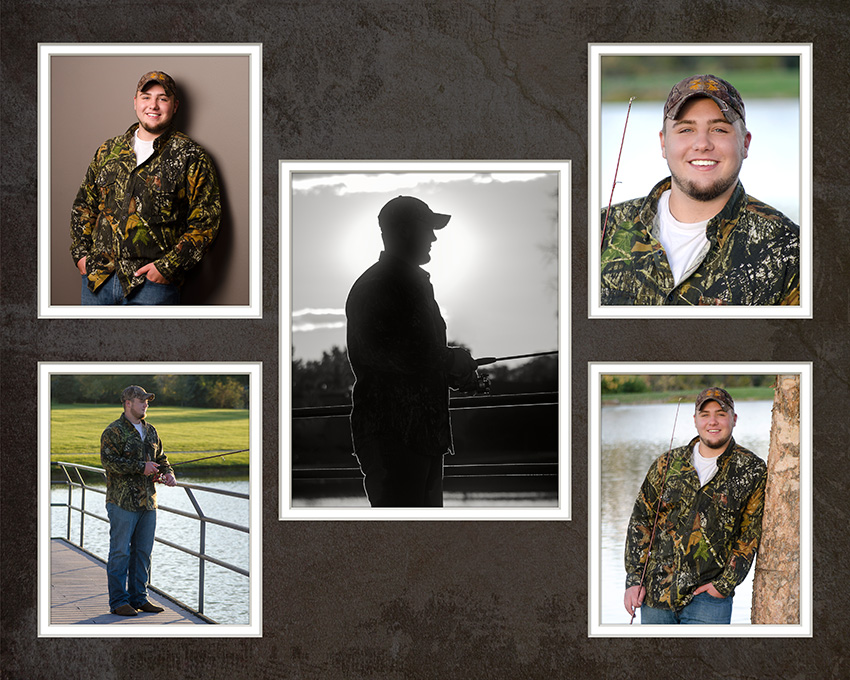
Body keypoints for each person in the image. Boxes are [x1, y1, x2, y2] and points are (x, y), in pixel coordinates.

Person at [601, 74, 799, 306]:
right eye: (686, 130)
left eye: (719, 130)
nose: (702, 144)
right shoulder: (600, 228)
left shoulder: (790, 249)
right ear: (663, 143)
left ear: (745, 144)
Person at [345, 196, 479, 507]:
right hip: (393, 439)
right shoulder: (377, 285)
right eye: (427, 229)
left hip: (424, 437)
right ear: (404, 231)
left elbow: (418, 357)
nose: (433, 237)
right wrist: (450, 359)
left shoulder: (411, 283)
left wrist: (456, 373)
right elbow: (390, 353)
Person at [70, 71, 221, 305]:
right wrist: (81, 255)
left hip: (151, 288)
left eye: (163, 98)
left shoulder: (191, 156)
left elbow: (206, 221)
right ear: (135, 102)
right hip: (97, 282)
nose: (153, 105)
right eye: (146, 97)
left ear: (175, 105)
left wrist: (167, 268)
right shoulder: (108, 151)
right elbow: (84, 205)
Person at [623, 387, 767, 624]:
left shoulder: (751, 469)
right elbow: (640, 521)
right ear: (695, 420)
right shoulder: (666, 464)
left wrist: (724, 585)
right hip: (656, 598)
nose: (713, 421)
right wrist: (633, 580)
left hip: (709, 601)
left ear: (734, 418)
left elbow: (749, 534)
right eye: (705, 414)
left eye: (721, 413)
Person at [101, 385, 176, 616]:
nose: (145, 404)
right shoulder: (113, 431)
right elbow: (109, 462)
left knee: (143, 553)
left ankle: (139, 598)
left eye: (147, 401)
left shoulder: (151, 430)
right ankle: (118, 602)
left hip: (148, 504)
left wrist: (169, 473)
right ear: (127, 404)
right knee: (120, 553)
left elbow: (161, 458)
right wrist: (140, 467)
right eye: (141, 400)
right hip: (122, 503)